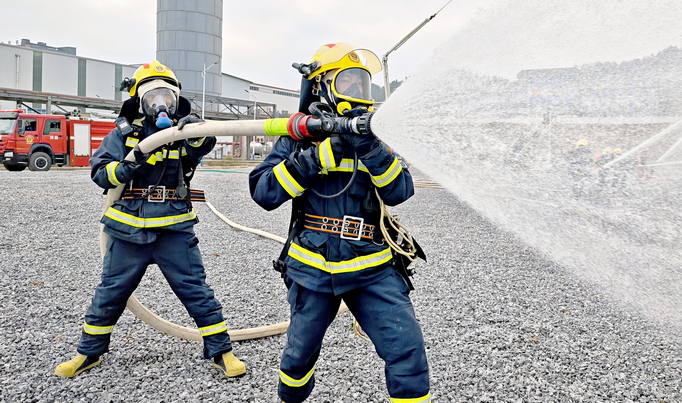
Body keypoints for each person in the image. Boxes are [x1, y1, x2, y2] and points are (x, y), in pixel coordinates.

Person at [249, 43, 431, 403]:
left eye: (362, 84)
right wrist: (313, 159)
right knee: (299, 355)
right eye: (347, 83)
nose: (357, 93)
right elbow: (263, 192)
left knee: (406, 349)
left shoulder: (378, 138)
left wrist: (371, 149)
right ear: (320, 87)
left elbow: (400, 191)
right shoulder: (298, 137)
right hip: (312, 267)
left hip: (372, 265)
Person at [54, 60, 246, 379]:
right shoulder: (123, 136)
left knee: (196, 290)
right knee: (111, 293)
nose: (162, 103)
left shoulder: (183, 131)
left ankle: (221, 351)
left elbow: (204, 144)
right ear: (140, 101)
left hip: (173, 228)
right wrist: (125, 167)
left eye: (168, 96)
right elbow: (100, 172)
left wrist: (196, 130)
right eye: (153, 96)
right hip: (128, 228)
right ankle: (88, 353)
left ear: (176, 99)